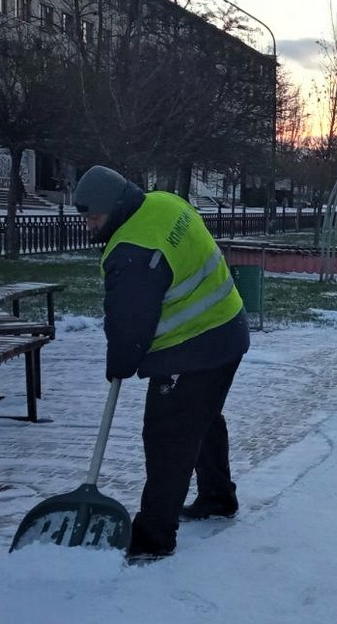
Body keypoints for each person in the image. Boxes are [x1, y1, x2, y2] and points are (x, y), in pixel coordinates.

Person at [73, 165, 250, 562]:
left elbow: (130, 326)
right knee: (201, 417)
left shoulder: (133, 252)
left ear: (115, 208)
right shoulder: (163, 202)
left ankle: (153, 536)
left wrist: (119, 362)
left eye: (94, 218)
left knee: (168, 436)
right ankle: (217, 498)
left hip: (195, 346)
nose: (90, 227)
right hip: (227, 328)